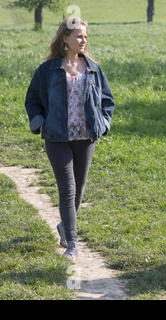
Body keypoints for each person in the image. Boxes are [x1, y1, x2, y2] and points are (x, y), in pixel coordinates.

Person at [24, 18, 115, 262]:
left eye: (85, 36)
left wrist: (103, 123)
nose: (83, 40)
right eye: (78, 36)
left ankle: (65, 226)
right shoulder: (47, 70)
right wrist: (39, 122)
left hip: (85, 137)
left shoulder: (93, 68)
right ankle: (72, 243)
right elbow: (32, 100)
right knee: (67, 189)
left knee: (79, 189)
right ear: (65, 38)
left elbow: (108, 101)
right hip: (57, 137)